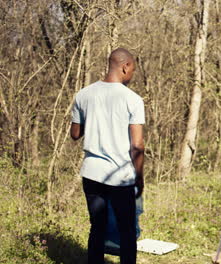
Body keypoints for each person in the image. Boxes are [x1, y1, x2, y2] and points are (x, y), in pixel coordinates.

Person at [70, 48, 145, 264]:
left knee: (97, 227)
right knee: (127, 230)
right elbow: (137, 144)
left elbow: (75, 134)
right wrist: (139, 177)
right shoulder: (133, 99)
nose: (132, 75)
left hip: (92, 174)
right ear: (125, 67)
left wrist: (93, 120)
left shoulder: (84, 94)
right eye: (133, 70)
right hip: (120, 176)